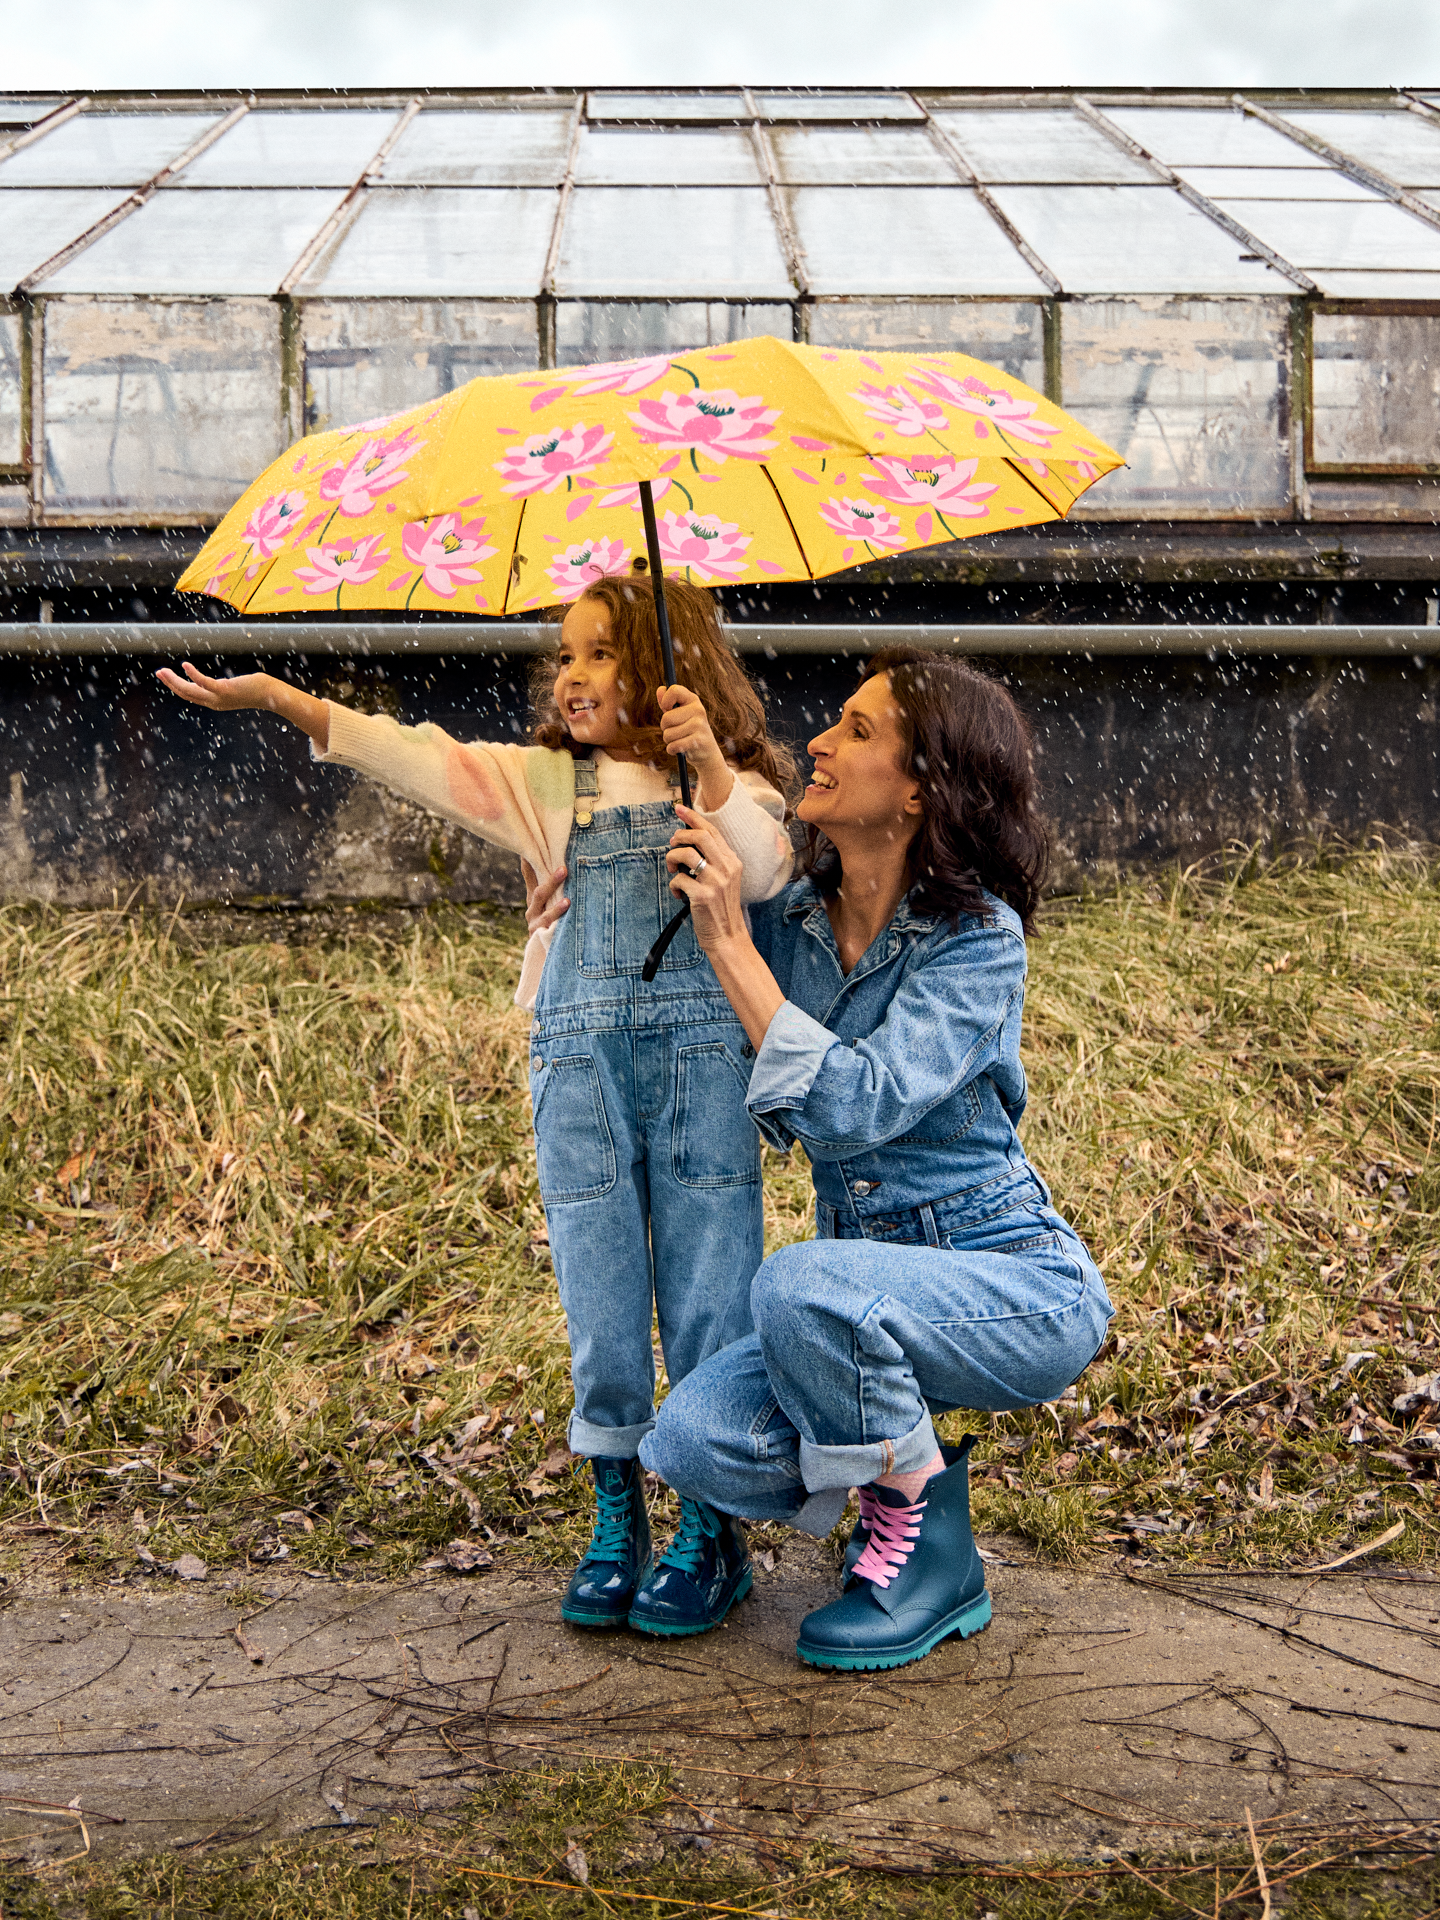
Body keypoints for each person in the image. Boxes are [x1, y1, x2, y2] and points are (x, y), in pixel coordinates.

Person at [155, 573, 796, 1632]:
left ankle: (714, 1521)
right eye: (569, 652)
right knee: (598, 1289)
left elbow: (768, 870)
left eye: (602, 652)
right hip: (581, 1071)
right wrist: (286, 700)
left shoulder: (733, 788)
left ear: (674, 668)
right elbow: (422, 756)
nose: (574, 674)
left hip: (702, 1070)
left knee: (713, 1284)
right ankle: (616, 1505)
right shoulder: (553, 786)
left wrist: (713, 769)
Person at [529, 647, 1114, 1668]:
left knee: (798, 1285)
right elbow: (673, 937)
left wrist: (732, 951)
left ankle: (923, 1552)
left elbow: (854, 1107)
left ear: (924, 784)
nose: (818, 741)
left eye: (856, 728)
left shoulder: (978, 941)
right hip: (850, 1298)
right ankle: (916, 1478)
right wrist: (580, 895)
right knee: (689, 1440)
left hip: (1007, 1276)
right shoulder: (792, 922)